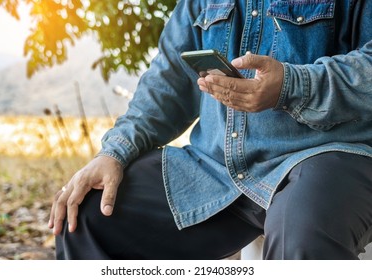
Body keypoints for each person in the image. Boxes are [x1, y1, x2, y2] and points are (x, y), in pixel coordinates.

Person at [48, 0, 372, 259]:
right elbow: (166, 84)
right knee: (88, 209)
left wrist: (292, 85)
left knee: (303, 233)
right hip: (216, 169)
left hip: (326, 158)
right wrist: (113, 153)